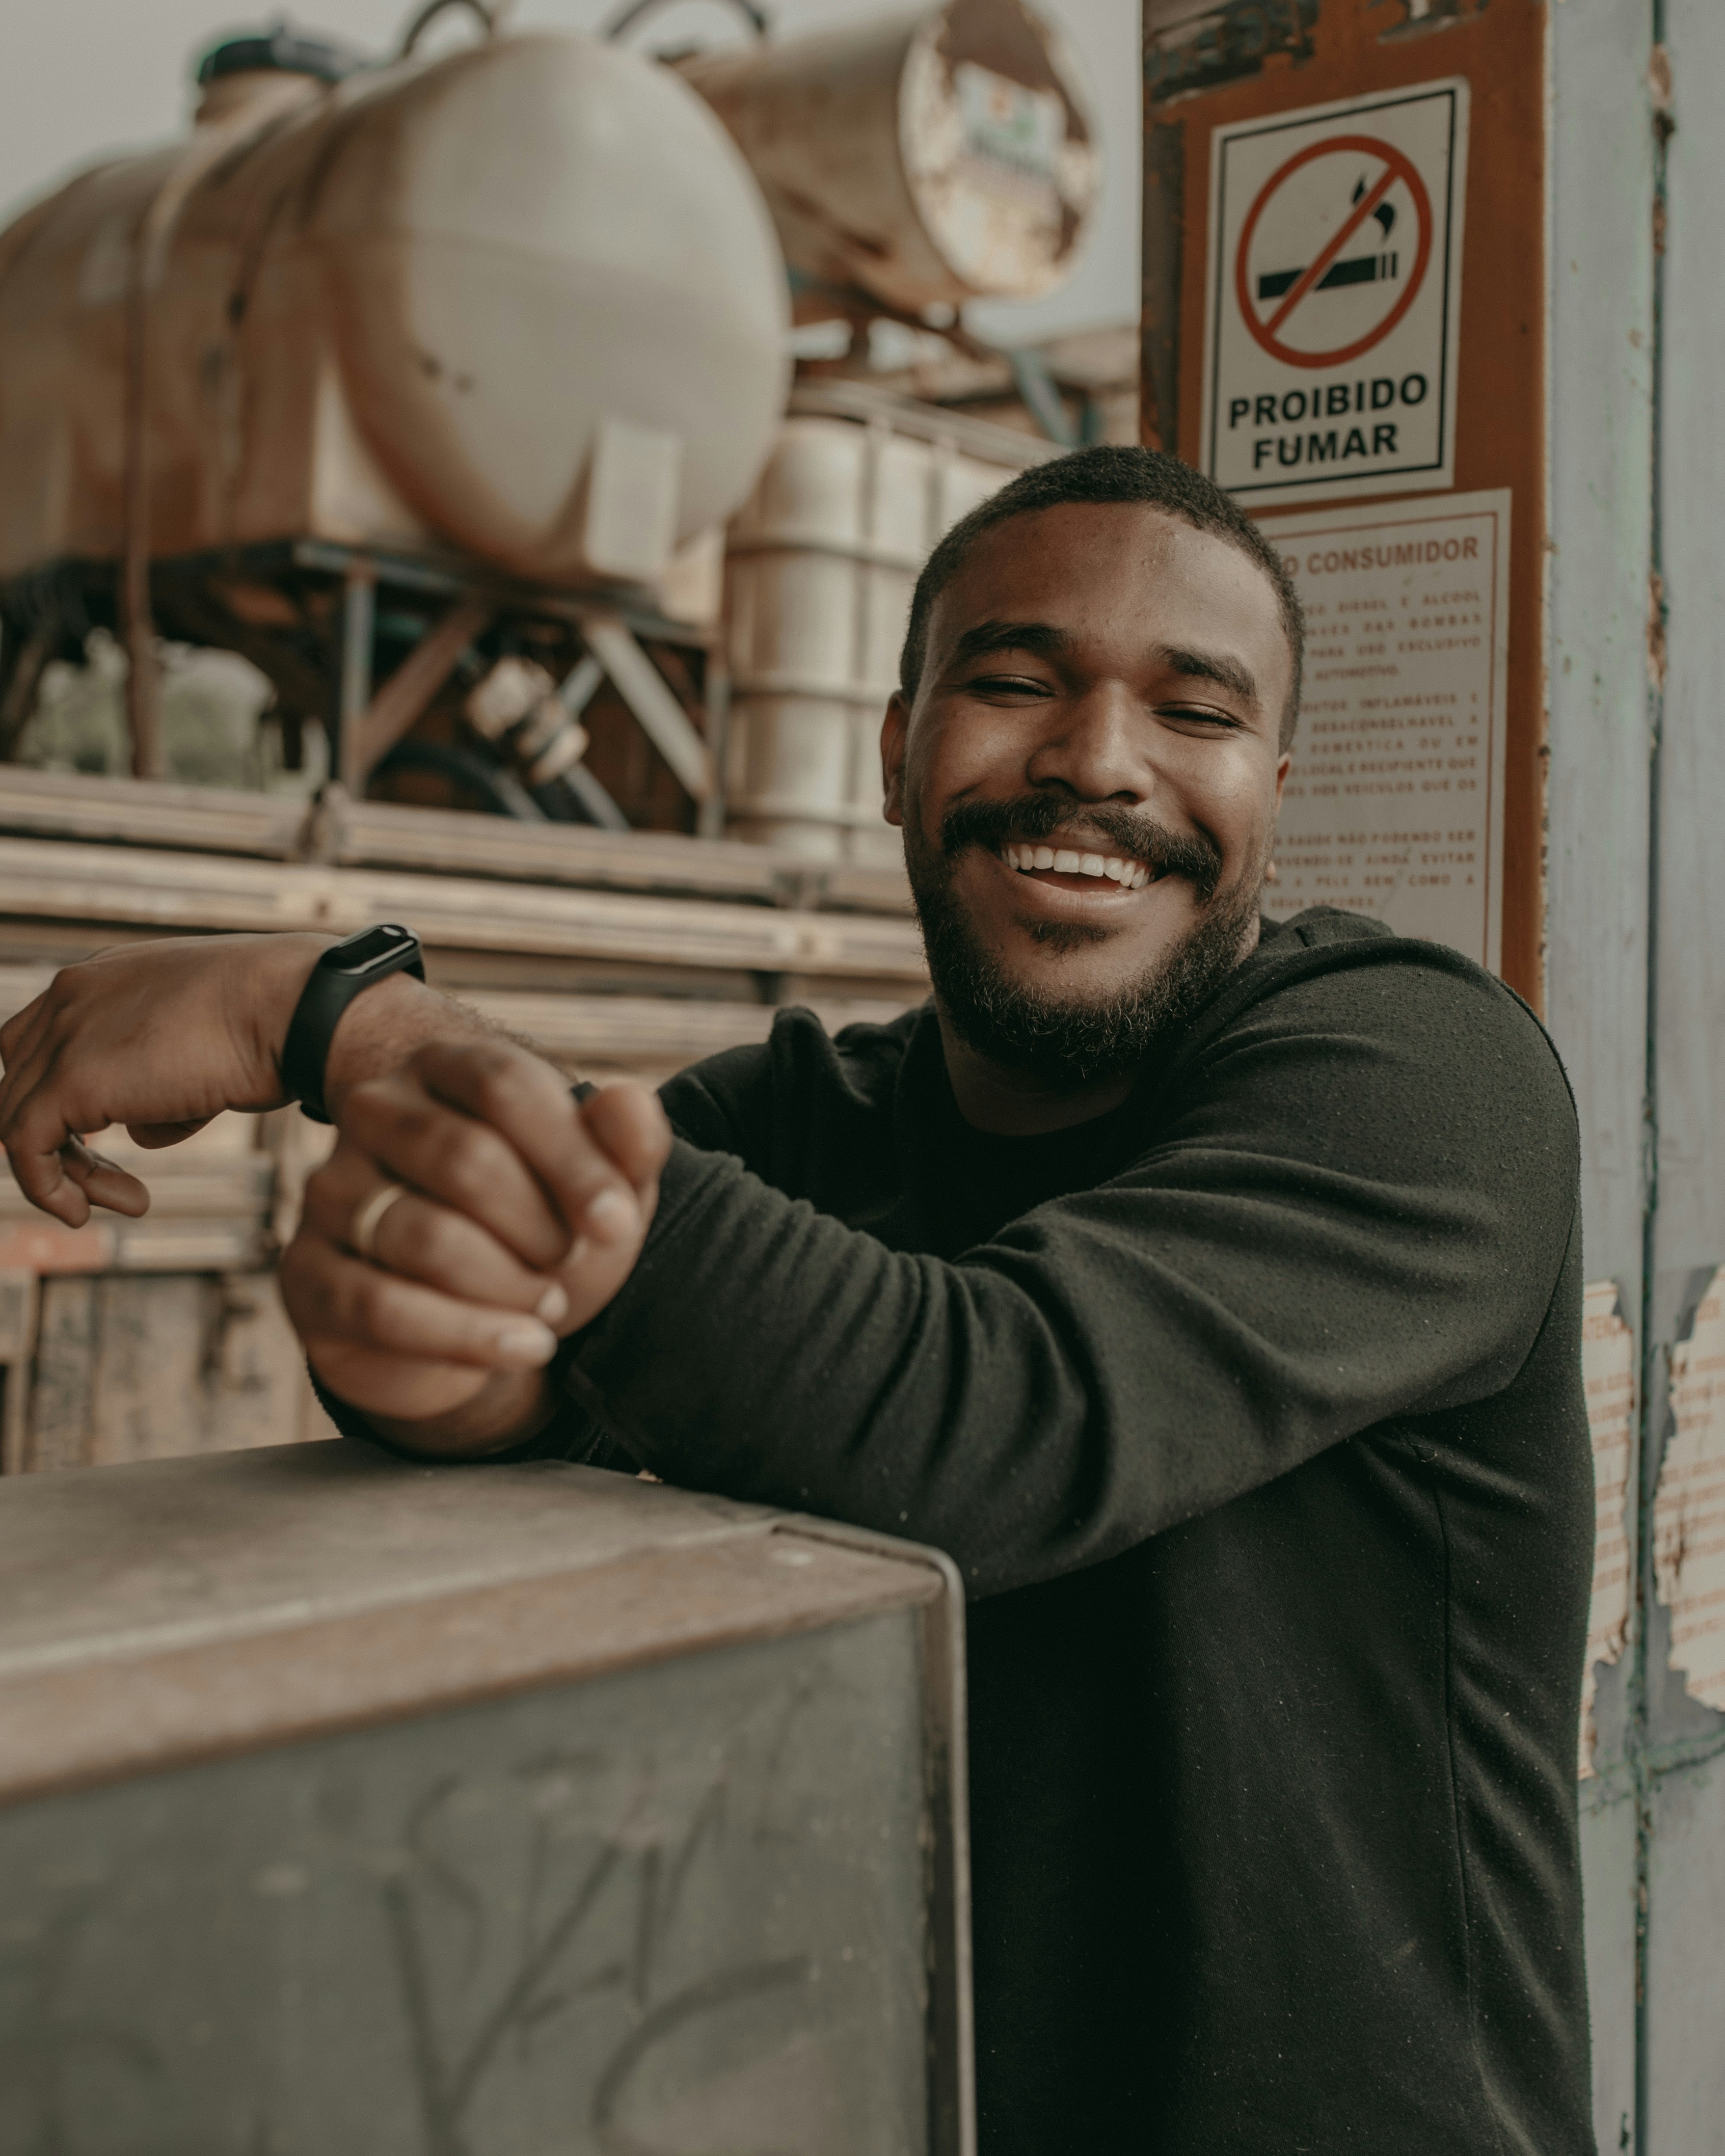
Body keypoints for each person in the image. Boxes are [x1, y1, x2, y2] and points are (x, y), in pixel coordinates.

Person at [0, 447, 1595, 2154]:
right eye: (1012, 683)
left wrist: (350, 1024)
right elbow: (541, 1359)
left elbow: (981, 1421)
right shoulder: (787, 1117)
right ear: (894, 758)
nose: (1094, 760)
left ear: (1271, 792)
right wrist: (435, 1356)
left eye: (1191, 712)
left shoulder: (1423, 1078)